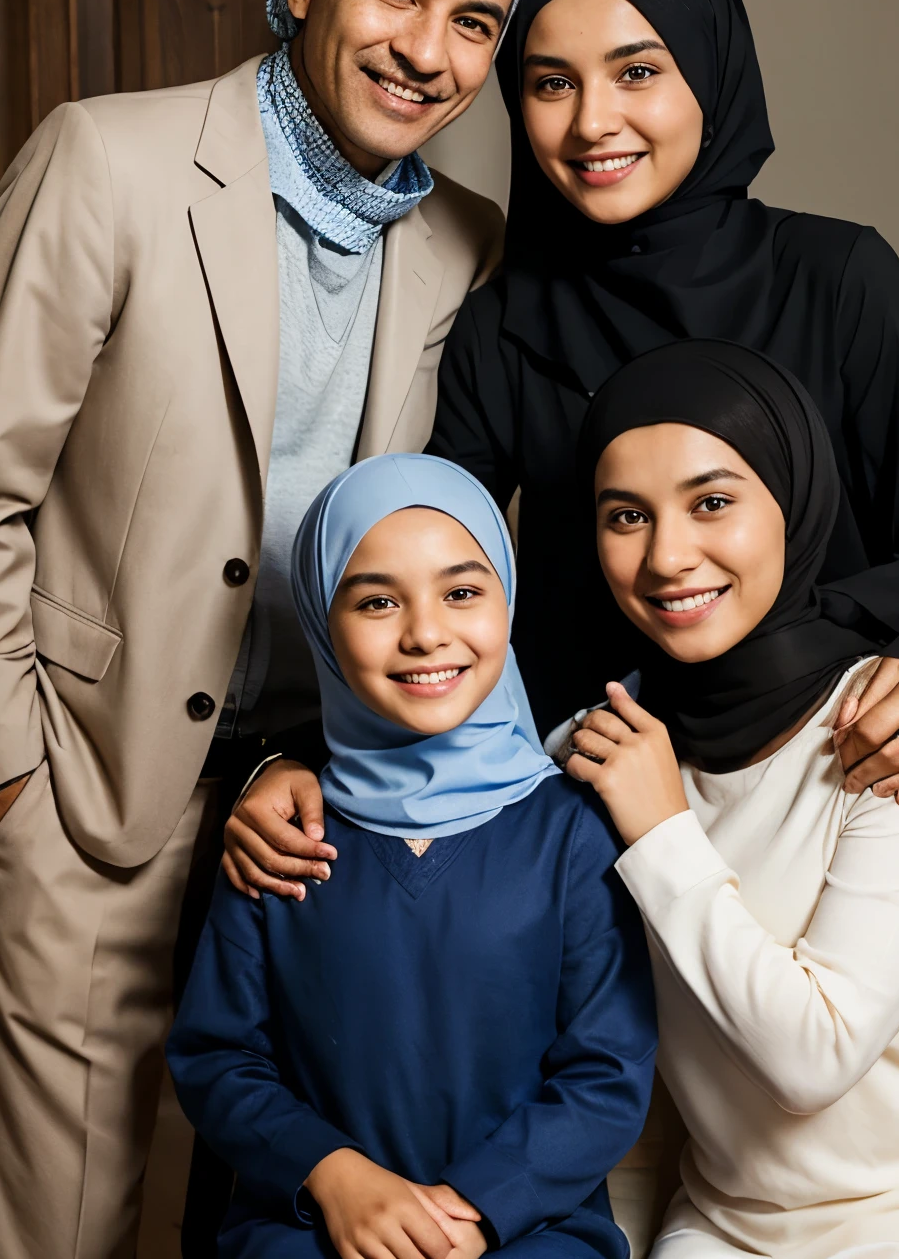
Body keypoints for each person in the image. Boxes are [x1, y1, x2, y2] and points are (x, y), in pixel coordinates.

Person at [0, 0, 537, 1259]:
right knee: (64, 1225)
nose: (427, 50)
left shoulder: (468, 240)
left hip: (317, 798)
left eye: (474, 23)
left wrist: (324, 763)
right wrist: (6, 774)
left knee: (278, 1198)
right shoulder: (109, 158)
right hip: (84, 785)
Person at [227, 0, 899, 901]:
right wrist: (297, 753)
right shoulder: (502, 323)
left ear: (711, 74)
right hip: (584, 802)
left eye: (637, 72)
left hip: (836, 778)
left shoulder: (836, 278)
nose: (591, 122)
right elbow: (420, 570)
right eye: (550, 83)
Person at [167, 453, 657, 1259]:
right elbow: (217, 1056)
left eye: (462, 592)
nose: (426, 632)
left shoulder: (572, 829)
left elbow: (607, 1073)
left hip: (528, 1227)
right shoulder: (280, 834)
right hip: (310, 1223)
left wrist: (472, 1210)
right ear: (323, 624)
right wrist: (333, 1177)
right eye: (377, 601)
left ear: (507, 597)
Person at [561, 338, 899, 1257]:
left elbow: (814, 1059)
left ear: (794, 502)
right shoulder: (601, 743)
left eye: (714, 503)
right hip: (721, 1221)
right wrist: (281, 769)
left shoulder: (898, 730)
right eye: (625, 517)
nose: (668, 558)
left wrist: (661, 831)